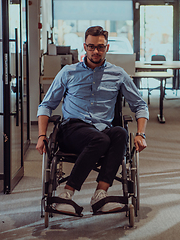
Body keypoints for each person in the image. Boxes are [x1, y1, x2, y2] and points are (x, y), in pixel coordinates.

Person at [36, 26, 149, 214]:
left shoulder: (118, 74)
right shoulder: (68, 73)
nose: (96, 51)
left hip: (102, 130)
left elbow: (140, 105)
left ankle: (100, 195)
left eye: (100, 47)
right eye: (91, 47)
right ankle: (67, 193)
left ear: (107, 47)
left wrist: (140, 134)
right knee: (101, 139)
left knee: (119, 133)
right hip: (72, 130)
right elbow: (46, 105)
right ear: (84, 47)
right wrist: (41, 135)